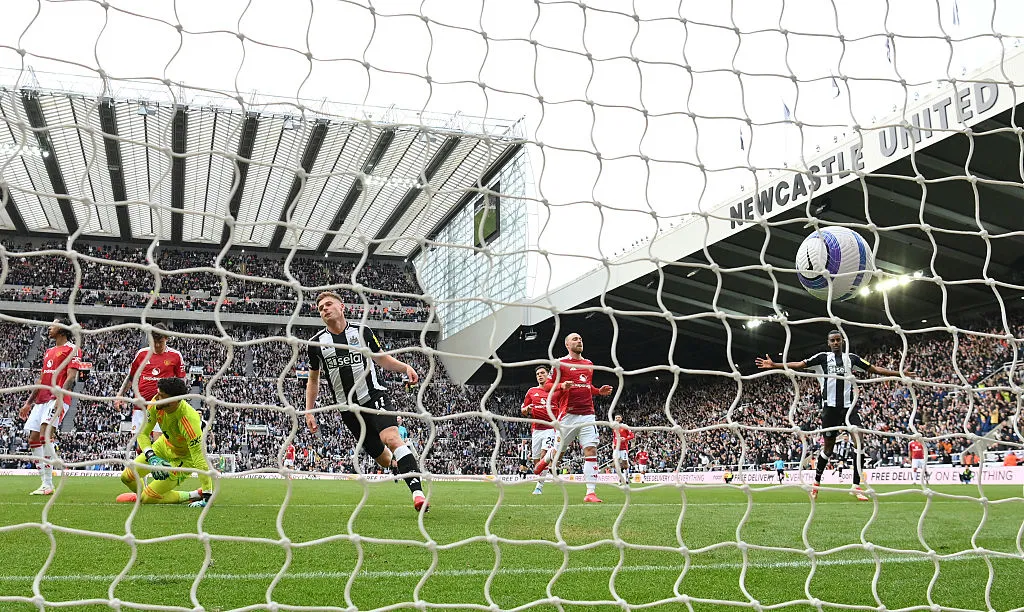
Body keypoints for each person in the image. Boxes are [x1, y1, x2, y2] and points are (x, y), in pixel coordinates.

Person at [304, 291, 428, 512]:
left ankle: (418, 495)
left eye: (328, 304)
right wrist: (309, 411)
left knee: (391, 437)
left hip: (373, 397)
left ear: (342, 307)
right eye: (321, 307)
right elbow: (313, 380)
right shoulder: (315, 344)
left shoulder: (363, 332)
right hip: (348, 409)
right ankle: (399, 464)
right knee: (382, 458)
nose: (324, 309)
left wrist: (405, 367)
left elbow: (382, 359)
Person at [756, 329, 914, 501]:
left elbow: (874, 369)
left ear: (842, 341)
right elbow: (800, 365)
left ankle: (855, 486)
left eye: (838, 340)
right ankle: (816, 483)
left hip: (849, 409)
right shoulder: (822, 358)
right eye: (833, 340)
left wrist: (899, 374)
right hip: (830, 410)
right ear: (829, 342)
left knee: (859, 443)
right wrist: (775, 365)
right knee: (828, 450)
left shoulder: (851, 358)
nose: (836, 342)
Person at [532, 333, 613, 503]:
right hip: (567, 416)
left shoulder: (589, 364)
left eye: (581, 339)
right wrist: (561, 385)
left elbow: (585, 385)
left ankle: (590, 492)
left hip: (588, 414)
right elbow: (547, 385)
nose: (579, 341)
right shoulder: (560, 363)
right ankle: (546, 459)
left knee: (591, 450)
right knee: (558, 454)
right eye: (575, 339)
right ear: (567, 345)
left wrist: (598, 391)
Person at [117, 377, 211, 506]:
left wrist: (207, 494)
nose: (156, 397)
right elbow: (143, 433)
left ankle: (194, 495)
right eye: (158, 393)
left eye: (162, 396)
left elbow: (199, 457)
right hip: (163, 446)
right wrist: (151, 457)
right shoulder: (155, 404)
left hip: (184, 459)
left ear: (174, 400)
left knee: (148, 498)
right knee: (127, 477)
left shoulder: (188, 419)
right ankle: (143, 496)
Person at [19, 318, 82, 495]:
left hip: (57, 398)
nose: (49, 328)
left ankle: (55, 470)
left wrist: (61, 397)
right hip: (41, 400)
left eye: (53, 325)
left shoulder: (73, 349)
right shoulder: (49, 351)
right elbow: (41, 380)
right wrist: (28, 403)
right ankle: (46, 483)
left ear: (62, 330)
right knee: (33, 439)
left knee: (46, 433)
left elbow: (71, 377)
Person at [115, 323, 187, 445]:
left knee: (158, 444)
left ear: (167, 339)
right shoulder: (141, 354)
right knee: (140, 446)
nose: (157, 345)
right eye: (154, 341)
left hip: (162, 407)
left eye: (161, 341)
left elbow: (182, 383)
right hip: (141, 405)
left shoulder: (175, 356)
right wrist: (120, 395)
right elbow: (131, 377)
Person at [520, 365, 554, 495]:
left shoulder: (554, 390)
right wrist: (526, 410)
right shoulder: (531, 391)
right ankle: (541, 479)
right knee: (536, 461)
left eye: (542, 373)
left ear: (547, 375)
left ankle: (539, 486)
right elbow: (523, 410)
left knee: (543, 455)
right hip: (537, 429)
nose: (540, 375)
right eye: (538, 374)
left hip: (551, 428)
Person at [613, 414, 635, 485]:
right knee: (616, 464)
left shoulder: (625, 426)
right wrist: (613, 443)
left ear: (621, 418)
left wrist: (625, 439)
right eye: (616, 417)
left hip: (623, 448)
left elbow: (632, 435)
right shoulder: (614, 427)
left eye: (618, 417)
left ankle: (626, 477)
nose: (617, 418)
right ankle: (620, 479)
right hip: (616, 448)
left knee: (625, 464)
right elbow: (614, 437)